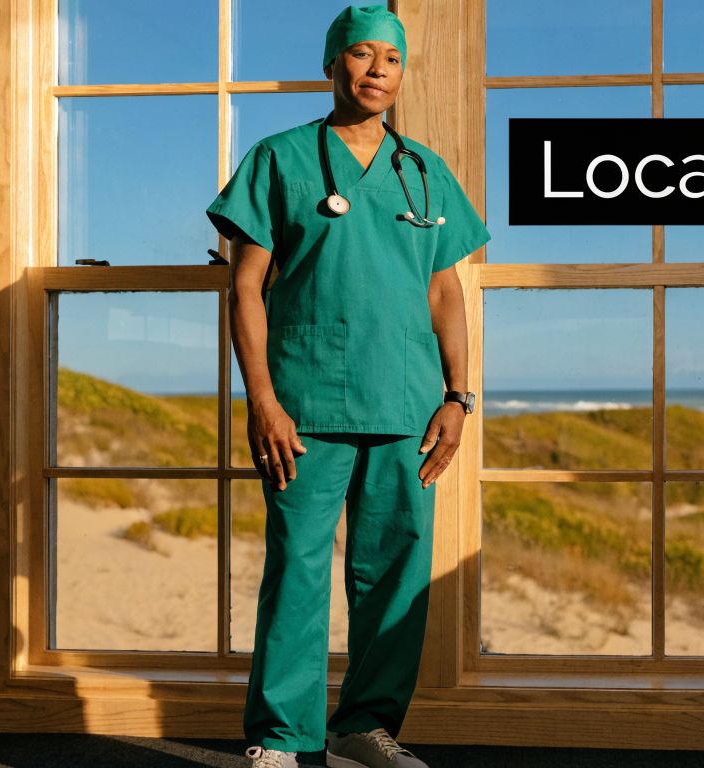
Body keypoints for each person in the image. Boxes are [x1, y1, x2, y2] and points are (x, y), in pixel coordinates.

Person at [204, 6, 490, 768]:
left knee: (395, 578)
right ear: (332, 66)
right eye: (359, 56)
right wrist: (262, 399)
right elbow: (247, 289)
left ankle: (364, 728)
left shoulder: (423, 171)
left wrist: (459, 397)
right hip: (304, 405)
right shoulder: (280, 158)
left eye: (390, 60)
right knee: (297, 571)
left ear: (402, 73)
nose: (375, 71)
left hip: (406, 405)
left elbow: (444, 295)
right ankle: (280, 739)